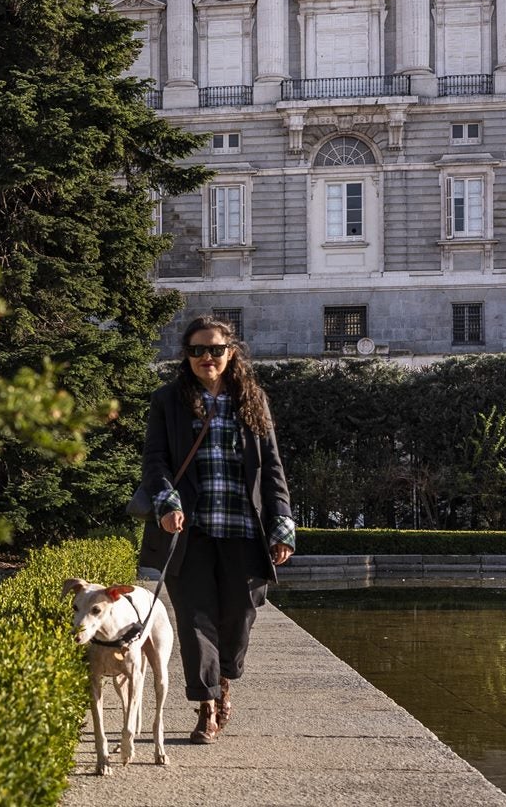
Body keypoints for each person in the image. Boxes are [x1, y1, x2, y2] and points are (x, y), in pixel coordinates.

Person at [137, 315, 295, 745]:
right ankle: (206, 705)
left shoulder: (252, 398)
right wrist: (167, 502)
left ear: (231, 353)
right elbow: (155, 461)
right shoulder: (168, 400)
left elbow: (272, 467)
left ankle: (224, 680)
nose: (207, 357)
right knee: (194, 619)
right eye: (197, 350)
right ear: (186, 356)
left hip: (244, 530)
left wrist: (282, 524)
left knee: (239, 617)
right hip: (192, 530)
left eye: (216, 349)